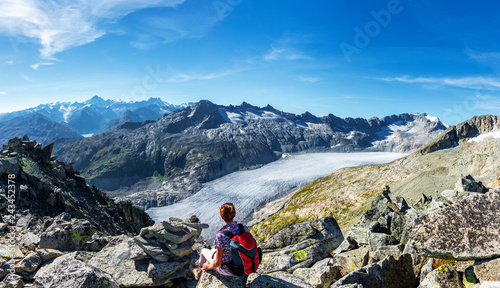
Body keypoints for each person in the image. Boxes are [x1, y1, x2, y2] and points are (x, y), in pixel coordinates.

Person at [196, 202, 250, 277]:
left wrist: (207, 267)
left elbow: (218, 263)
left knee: (203, 251)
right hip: (246, 264)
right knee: (213, 251)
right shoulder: (243, 227)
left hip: (230, 269)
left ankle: (199, 268)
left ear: (221, 216)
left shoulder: (221, 236)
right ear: (234, 214)